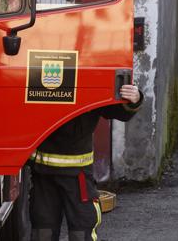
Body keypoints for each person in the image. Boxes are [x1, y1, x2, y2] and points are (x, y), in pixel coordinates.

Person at [30, 84, 143, 241]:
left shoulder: (90, 74)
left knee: (81, 226)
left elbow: (115, 110)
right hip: (43, 173)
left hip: (76, 175)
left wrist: (133, 99)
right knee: (43, 228)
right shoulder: (36, 68)